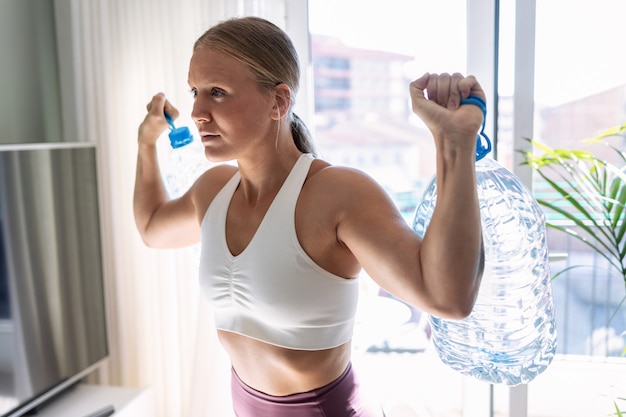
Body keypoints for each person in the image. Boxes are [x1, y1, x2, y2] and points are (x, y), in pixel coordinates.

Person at [134, 16, 484, 417]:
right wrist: (145, 143)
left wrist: (453, 143)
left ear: (278, 102)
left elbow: (448, 298)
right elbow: (151, 228)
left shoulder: (337, 195)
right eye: (195, 91)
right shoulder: (212, 190)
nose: (197, 111)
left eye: (217, 92)